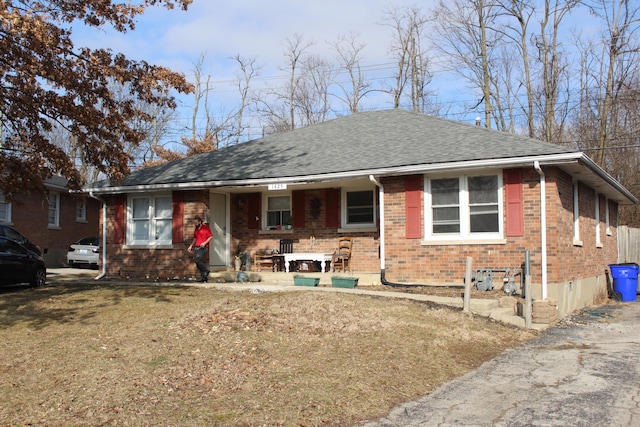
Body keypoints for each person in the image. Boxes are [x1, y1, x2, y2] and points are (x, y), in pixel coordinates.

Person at [187, 216, 213, 282]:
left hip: (203, 247)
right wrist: (191, 246)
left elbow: (210, 237)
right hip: (197, 246)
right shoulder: (196, 229)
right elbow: (195, 238)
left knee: (198, 260)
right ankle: (204, 278)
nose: (195, 224)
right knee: (197, 262)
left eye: (196, 223)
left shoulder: (205, 228)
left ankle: (206, 271)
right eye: (194, 223)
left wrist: (204, 243)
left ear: (200, 222)